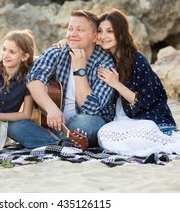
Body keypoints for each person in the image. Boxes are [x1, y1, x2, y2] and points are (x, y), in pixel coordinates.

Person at [95, 8, 180, 156]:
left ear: (121, 33)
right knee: (104, 134)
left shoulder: (137, 59)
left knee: (141, 135)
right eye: (100, 31)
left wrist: (116, 84)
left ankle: (162, 143)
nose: (103, 36)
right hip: (121, 120)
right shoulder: (104, 58)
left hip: (147, 118)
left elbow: (146, 100)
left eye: (109, 31)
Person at [8, 10, 116, 149]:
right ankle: (61, 143)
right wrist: (51, 108)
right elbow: (33, 78)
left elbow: (90, 108)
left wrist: (80, 71)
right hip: (52, 123)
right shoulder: (59, 51)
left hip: (87, 120)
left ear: (95, 37)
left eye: (80, 30)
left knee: (87, 124)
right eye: (70, 29)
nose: (73, 34)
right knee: (13, 126)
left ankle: (49, 140)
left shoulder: (105, 64)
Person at [0, 29, 35, 151]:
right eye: (4, 49)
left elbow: (26, 114)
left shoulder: (27, 79)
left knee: (21, 127)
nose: (5, 55)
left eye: (12, 52)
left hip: (7, 123)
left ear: (24, 56)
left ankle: (60, 143)